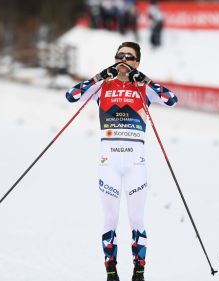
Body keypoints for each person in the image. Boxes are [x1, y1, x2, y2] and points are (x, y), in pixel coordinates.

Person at [65, 42, 178, 281]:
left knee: (137, 219)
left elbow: (171, 99)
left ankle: (139, 273)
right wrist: (98, 76)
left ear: (137, 62)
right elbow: (71, 95)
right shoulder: (102, 86)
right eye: (120, 56)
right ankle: (111, 273)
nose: (124, 59)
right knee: (110, 218)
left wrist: (145, 80)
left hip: (135, 162)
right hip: (109, 162)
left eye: (130, 57)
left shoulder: (143, 89)